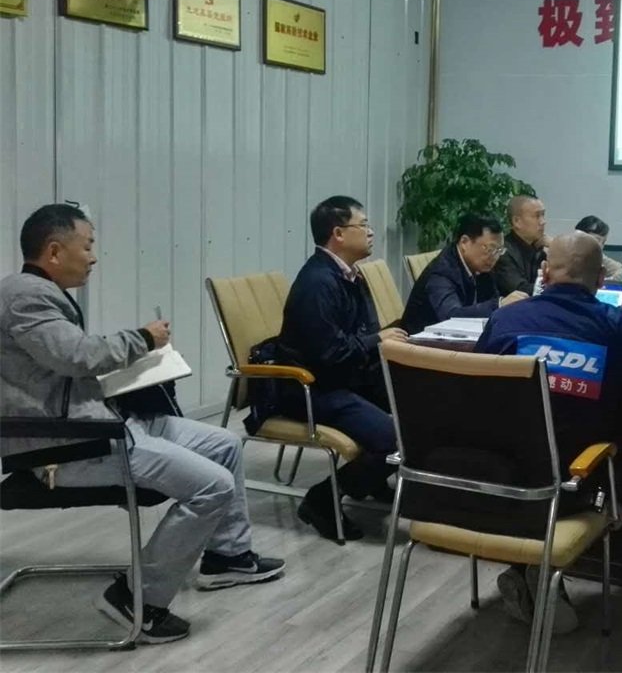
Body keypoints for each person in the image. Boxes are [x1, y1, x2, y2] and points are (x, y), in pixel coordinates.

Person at [0, 205, 284, 644]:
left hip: (101, 421)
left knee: (224, 445)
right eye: (87, 246)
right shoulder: (26, 297)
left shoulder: (38, 292)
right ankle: (137, 599)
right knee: (213, 486)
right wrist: (143, 339)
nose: (94, 257)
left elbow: (68, 361)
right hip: (72, 446)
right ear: (54, 251)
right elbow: (77, 356)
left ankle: (227, 557)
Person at [476, 232, 622, 634]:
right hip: (571, 484)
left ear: (545, 273)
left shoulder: (505, 320)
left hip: (494, 478)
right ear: (601, 280)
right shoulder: (617, 324)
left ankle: (529, 571)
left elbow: (476, 387)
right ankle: (545, 567)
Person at [276, 196, 408, 542]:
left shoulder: (350, 274)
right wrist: (376, 341)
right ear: (338, 233)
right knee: (391, 438)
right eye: (363, 225)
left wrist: (379, 342)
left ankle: (372, 480)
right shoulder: (318, 283)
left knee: (418, 410)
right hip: (311, 387)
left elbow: (364, 334)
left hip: (346, 377)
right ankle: (322, 499)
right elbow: (329, 354)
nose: (370, 232)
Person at [400, 213, 528, 334]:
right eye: (489, 249)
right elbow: (451, 316)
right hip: (421, 345)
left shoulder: (481, 266)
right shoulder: (442, 272)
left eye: (499, 250)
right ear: (464, 242)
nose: (494, 257)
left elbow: (491, 299)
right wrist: (499, 304)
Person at [493, 195, 547, 295]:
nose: (543, 222)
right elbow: (520, 290)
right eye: (537, 216)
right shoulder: (503, 252)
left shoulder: (538, 249)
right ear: (517, 221)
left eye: (543, 215)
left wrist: (555, 247)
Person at [574, 214, 622, 279]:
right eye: (597, 240)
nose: (600, 246)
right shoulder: (564, 254)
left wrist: (609, 280)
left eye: (603, 242)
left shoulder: (598, 256)